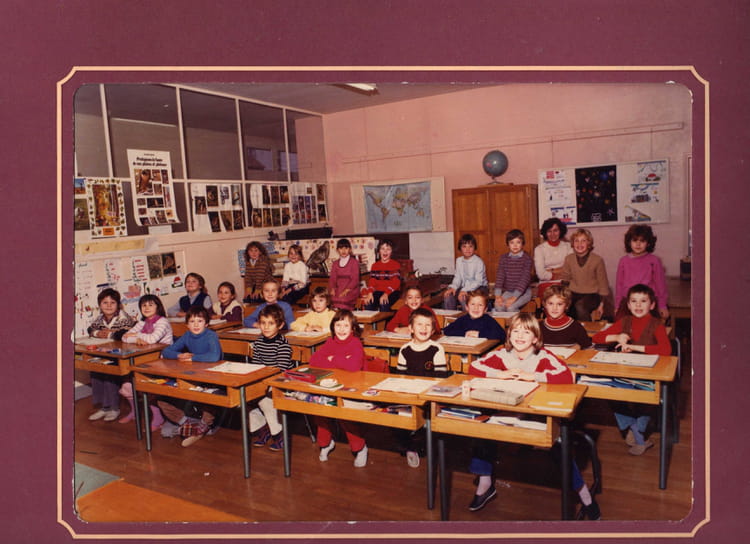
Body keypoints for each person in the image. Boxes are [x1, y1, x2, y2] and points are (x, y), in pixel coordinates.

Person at [467, 313, 600, 519]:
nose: (520, 336)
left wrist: (533, 376)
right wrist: (498, 374)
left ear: (536, 338)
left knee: (559, 446)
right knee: (483, 430)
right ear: (509, 335)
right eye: (515, 331)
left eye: (526, 332)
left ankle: (584, 494)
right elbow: (473, 367)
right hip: (509, 411)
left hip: (538, 414)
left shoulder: (543, 356)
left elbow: (567, 375)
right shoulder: (502, 354)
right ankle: (485, 483)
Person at [592, 284, 671, 455]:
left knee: (646, 397)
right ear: (628, 305)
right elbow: (597, 337)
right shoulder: (625, 321)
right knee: (609, 391)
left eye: (643, 301)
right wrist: (616, 336)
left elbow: (666, 350)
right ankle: (634, 428)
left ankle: (639, 433)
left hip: (648, 374)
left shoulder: (656, 324)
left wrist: (634, 347)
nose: (638, 305)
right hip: (626, 371)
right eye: (634, 301)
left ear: (652, 305)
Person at [309, 310, 368, 467]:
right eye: (338, 325)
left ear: (353, 328)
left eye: (346, 326)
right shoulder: (331, 342)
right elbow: (314, 360)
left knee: (344, 414)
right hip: (332, 385)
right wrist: (342, 360)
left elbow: (354, 366)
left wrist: (332, 359)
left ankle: (360, 447)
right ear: (333, 327)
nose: (341, 329)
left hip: (353, 387)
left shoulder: (355, 343)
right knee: (320, 409)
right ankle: (325, 443)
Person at [158, 306, 223, 447]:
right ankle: (185, 422)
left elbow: (214, 356)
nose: (196, 325)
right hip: (194, 374)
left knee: (207, 397)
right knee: (162, 397)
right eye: (192, 321)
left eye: (200, 321)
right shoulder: (187, 335)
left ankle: (205, 424)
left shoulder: (211, 335)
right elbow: (166, 351)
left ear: (206, 323)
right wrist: (179, 355)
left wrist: (192, 358)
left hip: (212, 377)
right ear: (187, 324)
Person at [393, 308, 449, 467]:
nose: (424, 328)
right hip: (410, 394)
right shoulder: (405, 349)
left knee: (425, 422)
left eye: (428, 325)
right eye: (419, 324)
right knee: (397, 416)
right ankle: (410, 447)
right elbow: (401, 376)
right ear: (411, 328)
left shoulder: (436, 349)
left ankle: (420, 444)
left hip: (429, 395)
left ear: (433, 329)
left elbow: (440, 379)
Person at [248, 305, 294, 452]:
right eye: (263, 323)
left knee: (265, 401)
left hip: (280, 382)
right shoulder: (259, 342)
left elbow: (280, 370)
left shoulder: (283, 344)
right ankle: (263, 428)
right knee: (246, 398)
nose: (266, 327)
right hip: (264, 380)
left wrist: (264, 384)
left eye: (271, 323)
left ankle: (278, 433)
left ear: (280, 325)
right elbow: (256, 365)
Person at [86, 288, 137, 422]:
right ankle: (104, 407)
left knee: (109, 373)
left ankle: (114, 407)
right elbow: (90, 329)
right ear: (100, 305)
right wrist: (98, 333)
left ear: (118, 305)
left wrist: (108, 334)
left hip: (122, 354)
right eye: (105, 303)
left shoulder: (123, 317)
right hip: (105, 352)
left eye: (112, 303)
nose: (108, 306)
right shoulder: (100, 318)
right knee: (95, 370)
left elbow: (123, 334)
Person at [615, 225, 669, 320]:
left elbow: (661, 285)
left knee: (649, 324)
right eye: (635, 240)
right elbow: (619, 286)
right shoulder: (623, 261)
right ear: (629, 242)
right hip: (628, 302)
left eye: (642, 241)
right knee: (622, 323)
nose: (638, 244)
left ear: (648, 243)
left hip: (647, 301)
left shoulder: (654, 261)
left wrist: (662, 305)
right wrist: (617, 306)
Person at [560, 228, 610, 321]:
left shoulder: (597, 260)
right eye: (576, 241)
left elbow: (603, 285)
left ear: (589, 243)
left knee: (580, 306)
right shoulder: (569, 259)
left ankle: (585, 329)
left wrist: (602, 304)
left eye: (583, 241)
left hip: (592, 295)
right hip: (573, 293)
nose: (579, 244)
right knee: (566, 307)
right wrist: (563, 298)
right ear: (572, 243)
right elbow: (565, 280)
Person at [443, 234, 488, 311]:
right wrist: (453, 287)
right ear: (460, 248)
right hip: (464, 287)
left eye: (470, 246)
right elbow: (458, 277)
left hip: (479, 288)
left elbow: (478, 281)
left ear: (474, 248)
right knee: (448, 296)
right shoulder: (459, 260)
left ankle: (468, 317)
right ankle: (451, 317)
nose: (467, 249)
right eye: (464, 246)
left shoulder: (479, 262)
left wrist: (464, 290)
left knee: (464, 298)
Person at [539, 284, 592, 350]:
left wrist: (577, 347)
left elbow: (588, 349)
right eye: (550, 303)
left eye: (559, 304)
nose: (554, 308)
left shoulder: (576, 327)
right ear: (545, 304)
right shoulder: (538, 327)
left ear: (566, 306)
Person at [493, 229, 533, 312]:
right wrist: (498, 296)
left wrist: (514, 298)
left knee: (511, 307)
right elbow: (500, 276)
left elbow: (524, 280)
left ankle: (517, 320)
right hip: (509, 291)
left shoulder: (527, 259)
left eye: (518, 242)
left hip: (524, 292)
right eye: (512, 242)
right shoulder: (503, 258)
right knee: (498, 306)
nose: (515, 245)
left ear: (522, 244)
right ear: (508, 244)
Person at [533, 217, 573, 296]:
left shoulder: (568, 246)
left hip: (565, 283)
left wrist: (551, 270)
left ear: (560, 231)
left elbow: (571, 269)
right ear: (545, 233)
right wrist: (561, 271)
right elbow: (541, 274)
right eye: (549, 231)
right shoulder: (539, 249)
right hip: (546, 284)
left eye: (555, 230)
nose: (552, 234)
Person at [361, 239, 401, 311]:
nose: (385, 251)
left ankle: (387, 318)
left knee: (384, 303)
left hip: (392, 291)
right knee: (368, 303)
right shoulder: (375, 266)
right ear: (379, 251)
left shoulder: (395, 265)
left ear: (391, 252)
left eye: (388, 249)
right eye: (382, 249)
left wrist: (386, 293)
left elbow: (396, 282)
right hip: (378, 291)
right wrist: (370, 293)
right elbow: (372, 281)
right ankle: (371, 318)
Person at [328, 238, 360, 311]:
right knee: (331, 298)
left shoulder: (354, 262)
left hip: (351, 289)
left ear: (350, 249)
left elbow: (355, 280)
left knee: (343, 299)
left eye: (346, 248)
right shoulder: (335, 263)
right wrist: (332, 289)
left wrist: (346, 290)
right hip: (339, 288)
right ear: (337, 250)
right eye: (341, 248)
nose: (343, 250)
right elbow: (332, 279)